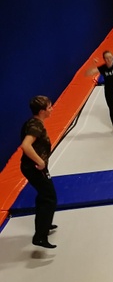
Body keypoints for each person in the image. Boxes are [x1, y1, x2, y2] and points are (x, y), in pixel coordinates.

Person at [19, 95, 58, 249]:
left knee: (44, 196)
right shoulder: (36, 126)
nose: (52, 109)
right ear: (42, 111)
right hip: (35, 168)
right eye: (49, 107)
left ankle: (44, 224)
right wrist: (40, 162)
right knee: (50, 198)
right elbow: (26, 145)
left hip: (33, 167)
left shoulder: (34, 122)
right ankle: (40, 237)